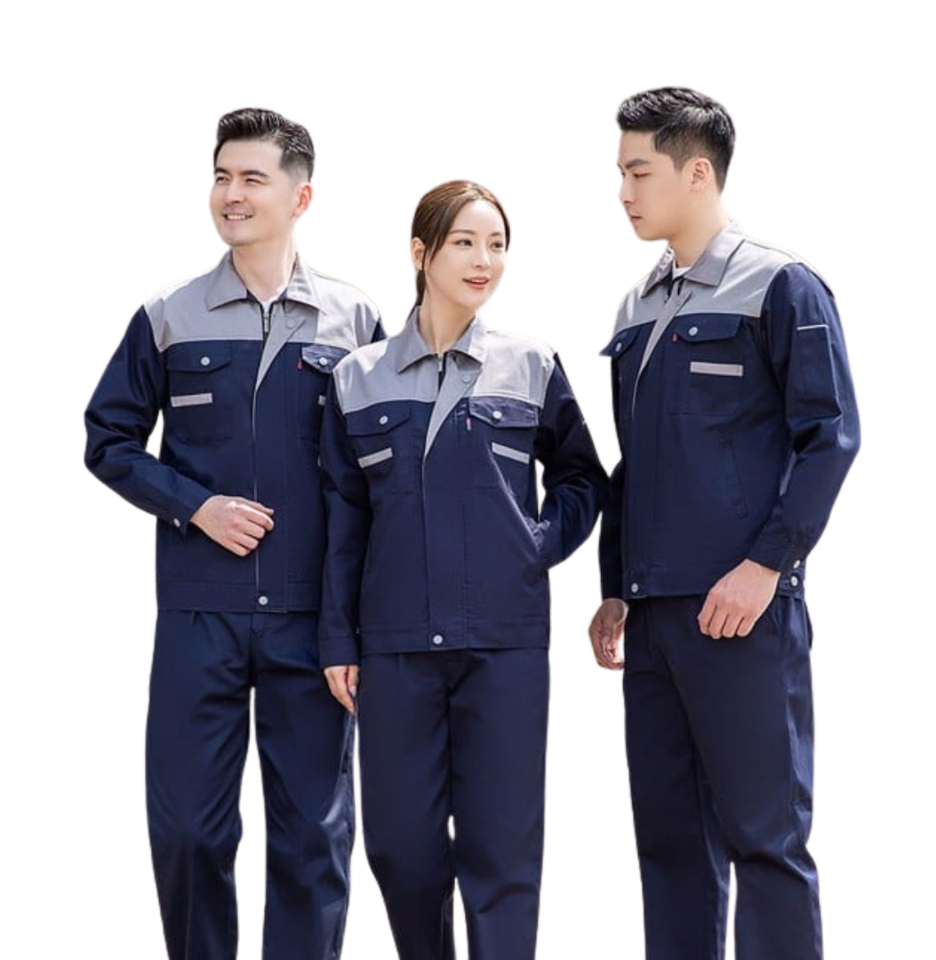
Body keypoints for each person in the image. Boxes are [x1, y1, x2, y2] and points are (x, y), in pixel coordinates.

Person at [84, 108, 382, 959]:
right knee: (187, 830)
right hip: (199, 613)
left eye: (253, 178)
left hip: (313, 619)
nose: (231, 194)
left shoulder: (354, 320)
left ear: (301, 197)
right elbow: (108, 439)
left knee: (313, 839)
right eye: (221, 176)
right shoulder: (168, 315)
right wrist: (194, 505)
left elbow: (383, 473)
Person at [588, 87, 860, 960]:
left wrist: (767, 566)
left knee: (765, 840)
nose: (623, 191)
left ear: (697, 172)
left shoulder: (779, 286)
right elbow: (635, 462)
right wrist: (615, 586)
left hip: (741, 615)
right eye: (621, 172)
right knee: (671, 849)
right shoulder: (636, 306)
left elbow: (831, 438)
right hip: (654, 615)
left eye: (639, 172)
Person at [320, 180, 606, 960]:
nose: (485, 261)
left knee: (501, 850)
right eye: (465, 243)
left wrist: (535, 546)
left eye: (498, 245)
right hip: (395, 644)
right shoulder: (358, 377)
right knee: (398, 846)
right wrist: (338, 639)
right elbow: (344, 517)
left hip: (503, 644)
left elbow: (582, 478)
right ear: (421, 253)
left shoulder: (531, 364)